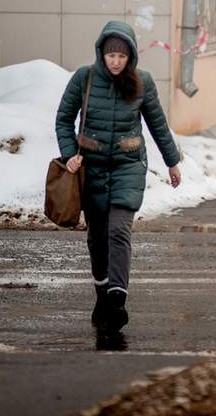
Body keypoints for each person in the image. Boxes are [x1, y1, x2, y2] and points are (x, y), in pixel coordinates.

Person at [55, 20, 182, 334]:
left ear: (131, 57)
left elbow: (158, 125)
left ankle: (117, 300)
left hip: (128, 166)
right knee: (97, 237)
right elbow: (63, 119)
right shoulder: (84, 78)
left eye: (121, 56)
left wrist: (172, 162)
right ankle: (102, 292)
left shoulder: (142, 82)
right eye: (111, 55)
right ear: (102, 53)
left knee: (118, 231)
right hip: (91, 168)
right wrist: (70, 153)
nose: (115, 61)